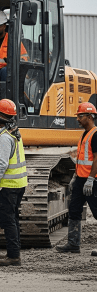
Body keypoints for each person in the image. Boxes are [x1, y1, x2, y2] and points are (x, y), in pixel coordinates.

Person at [0, 99, 27, 266]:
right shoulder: (14, 133)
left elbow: (3, 164)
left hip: (8, 187)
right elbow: (2, 161)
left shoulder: (4, 138)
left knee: (8, 220)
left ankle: (14, 256)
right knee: (13, 219)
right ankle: (12, 252)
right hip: (18, 184)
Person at [56, 102, 97, 255]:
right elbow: (82, 159)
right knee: (74, 210)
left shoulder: (95, 134)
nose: (78, 119)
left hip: (92, 181)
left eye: (80, 116)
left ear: (89, 116)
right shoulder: (84, 134)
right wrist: (75, 176)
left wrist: (91, 179)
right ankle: (73, 244)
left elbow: (96, 159)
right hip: (81, 179)